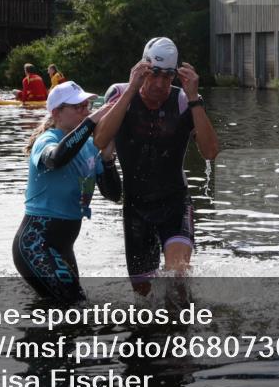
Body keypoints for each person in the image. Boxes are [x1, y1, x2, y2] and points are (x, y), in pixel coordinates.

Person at [93, 37, 219, 293]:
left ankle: (184, 326)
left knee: (177, 276)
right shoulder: (118, 93)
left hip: (175, 203)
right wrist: (130, 91)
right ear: (142, 70)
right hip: (136, 208)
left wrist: (195, 99)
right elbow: (100, 140)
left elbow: (210, 152)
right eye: (154, 74)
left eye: (168, 76)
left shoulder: (185, 100)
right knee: (143, 294)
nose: (160, 84)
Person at [13, 80, 122, 303]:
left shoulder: (91, 147)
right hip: (36, 243)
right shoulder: (46, 140)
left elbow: (114, 195)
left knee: (67, 311)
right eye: (78, 107)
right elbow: (57, 159)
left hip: (63, 247)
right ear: (57, 113)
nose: (85, 111)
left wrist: (108, 159)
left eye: (87, 106)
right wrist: (92, 121)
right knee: (75, 306)